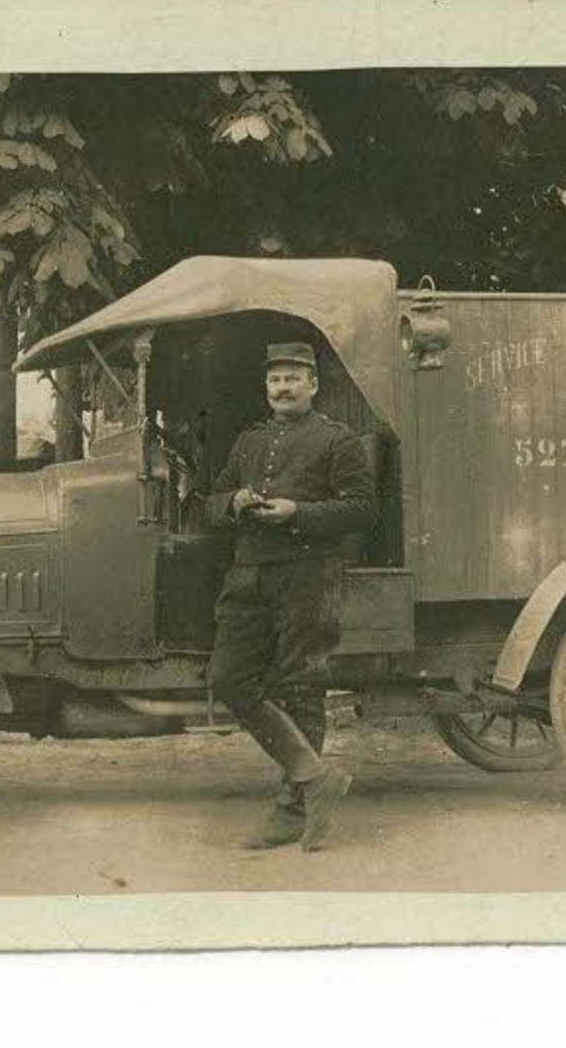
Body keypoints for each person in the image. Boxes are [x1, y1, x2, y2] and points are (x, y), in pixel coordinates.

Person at [206, 342, 377, 850]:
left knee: (302, 686)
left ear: (313, 386)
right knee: (229, 678)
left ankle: (292, 809)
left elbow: (363, 509)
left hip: (308, 575)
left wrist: (297, 513)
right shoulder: (249, 442)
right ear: (266, 387)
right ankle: (314, 775)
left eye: (293, 379)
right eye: (275, 379)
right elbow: (209, 504)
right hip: (249, 576)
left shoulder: (336, 440)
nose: (282, 388)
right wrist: (234, 501)